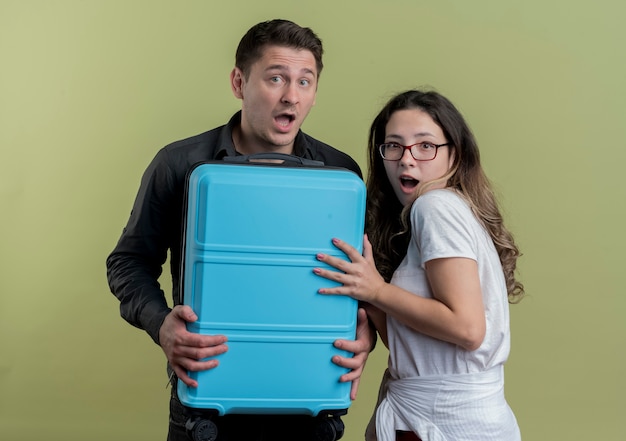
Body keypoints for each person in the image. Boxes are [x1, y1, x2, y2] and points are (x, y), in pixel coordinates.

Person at [106, 19, 373, 441]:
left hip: (310, 404)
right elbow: (128, 263)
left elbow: (365, 278)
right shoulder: (180, 164)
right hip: (208, 406)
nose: (291, 95)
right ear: (238, 81)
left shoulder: (341, 174)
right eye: (276, 78)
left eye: (305, 81)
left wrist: (366, 332)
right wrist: (162, 326)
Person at [313, 89, 524, 441]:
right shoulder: (453, 209)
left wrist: (377, 289)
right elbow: (407, 342)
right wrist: (367, 294)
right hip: (445, 418)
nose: (407, 160)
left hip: (443, 422)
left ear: (453, 154)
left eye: (425, 146)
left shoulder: (435, 207)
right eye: (393, 146)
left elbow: (467, 329)